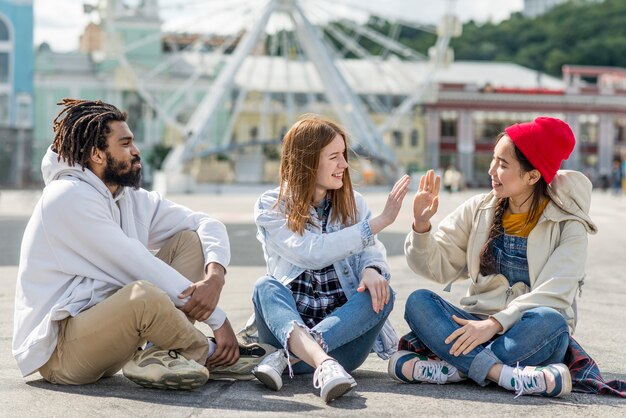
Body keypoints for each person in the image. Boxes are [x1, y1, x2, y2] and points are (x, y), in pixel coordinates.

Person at [12, 98, 260, 390]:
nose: (136, 151)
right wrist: (219, 321)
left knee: (190, 242)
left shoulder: (127, 197)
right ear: (97, 154)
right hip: (62, 352)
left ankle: (160, 353)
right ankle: (210, 354)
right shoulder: (67, 197)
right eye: (126, 144)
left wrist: (215, 275)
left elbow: (205, 223)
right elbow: (135, 263)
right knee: (143, 293)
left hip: (110, 337)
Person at [390, 117, 597, 398]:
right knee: (419, 302)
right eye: (493, 159)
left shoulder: (568, 225)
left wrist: (495, 324)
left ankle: (454, 370)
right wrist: (421, 227)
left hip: (525, 331)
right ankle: (505, 375)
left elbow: (555, 293)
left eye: (503, 164)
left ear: (532, 176)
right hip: (473, 325)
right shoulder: (479, 208)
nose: (491, 170)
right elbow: (435, 267)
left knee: (553, 323)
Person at [243, 115, 409, 402]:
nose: (344, 165)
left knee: (383, 292)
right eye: (334, 157)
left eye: (343, 155)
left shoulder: (354, 202)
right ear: (307, 161)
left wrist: (371, 269)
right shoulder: (271, 205)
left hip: (341, 337)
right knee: (265, 287)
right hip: (287, 327)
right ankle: (324, 364)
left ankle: (287, 360)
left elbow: (372, 250)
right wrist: (379, 222)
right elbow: (311, 253)